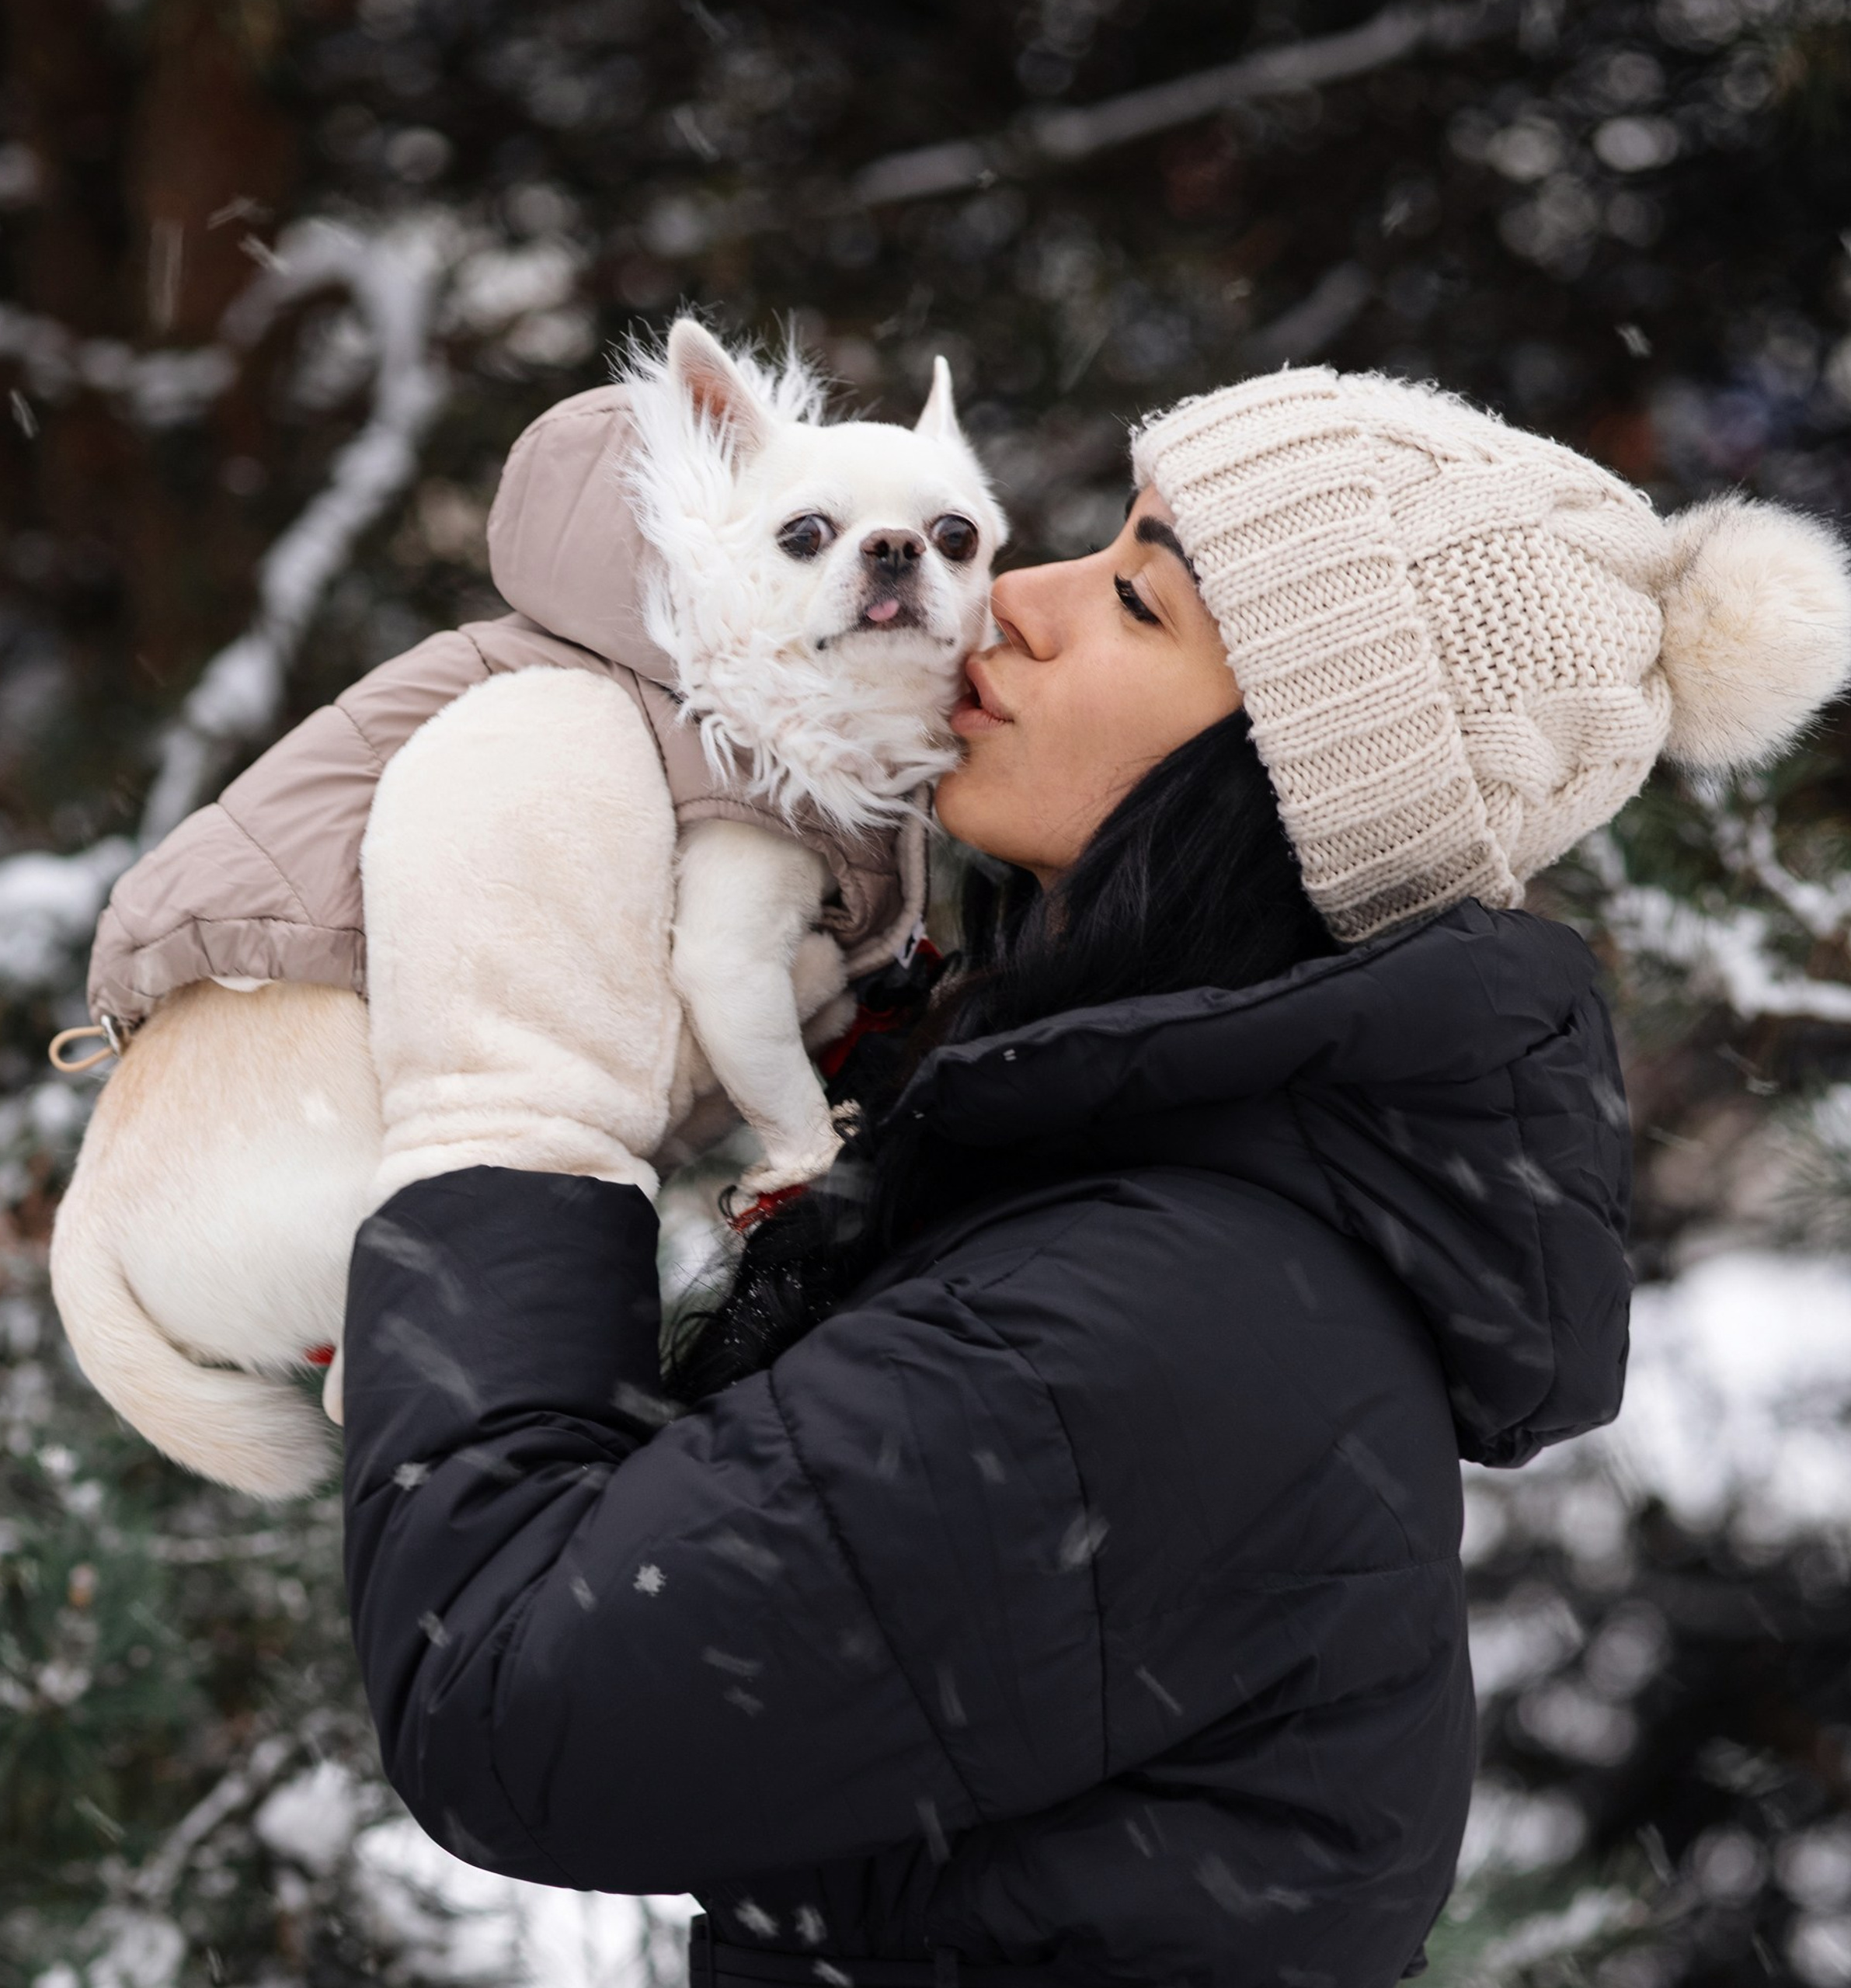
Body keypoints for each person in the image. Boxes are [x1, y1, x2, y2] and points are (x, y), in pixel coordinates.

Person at [341, 365, 1851, 1986]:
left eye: (1134, 597)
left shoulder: (1146, 1325)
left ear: (1283, 783)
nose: (1019, 598)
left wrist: (505, 1123)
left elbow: (512, 1708)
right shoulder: (1152, 1224)